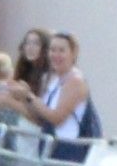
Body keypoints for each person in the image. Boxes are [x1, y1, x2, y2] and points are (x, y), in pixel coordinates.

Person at [32, 30, 102, 159]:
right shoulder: (53, 80)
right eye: (52, 50)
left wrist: (31, 98)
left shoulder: (75, 81)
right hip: (51, 148)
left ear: (73, 53)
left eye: (61, 50)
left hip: (69, 150)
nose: (55, 55)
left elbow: (57, 118)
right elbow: (41, 116)